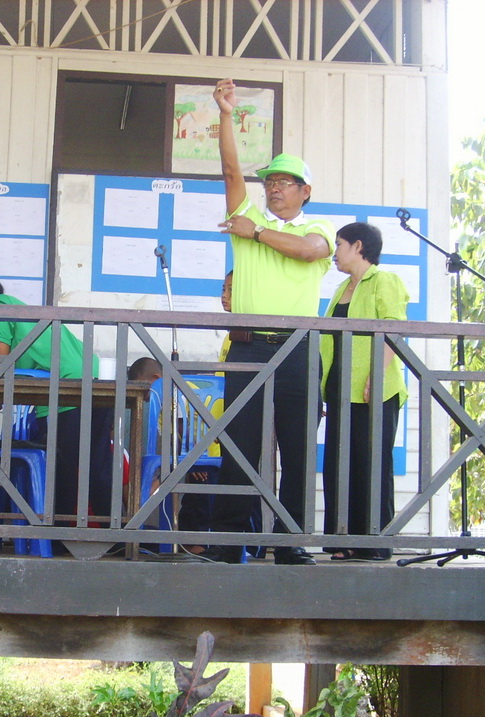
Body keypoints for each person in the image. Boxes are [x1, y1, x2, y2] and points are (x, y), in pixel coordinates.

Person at [205, 78, 335, 565]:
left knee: (297, 448)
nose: (274, 187)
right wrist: (225, 114)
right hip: (248, 346)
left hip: (299, 348)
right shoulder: (245, 217)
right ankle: (229, 540)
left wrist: (256, 231)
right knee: (238, 445)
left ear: (305, 191)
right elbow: (229, 169)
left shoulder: (316, 227)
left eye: (284, 182)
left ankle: (289, 541)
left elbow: (309, 252)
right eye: (270, 182)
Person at [0, 273, 114, 524]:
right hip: (96, 383)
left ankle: (55, 535)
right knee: (98, 466)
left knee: (61, 471)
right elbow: (5, 382)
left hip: (66, 392)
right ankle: (114, 532)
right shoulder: (20, 310)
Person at [320, 222, 408, 561]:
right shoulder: (342, 287)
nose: (334, 252)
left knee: (372, 463)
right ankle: (343, 539)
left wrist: (377, 374)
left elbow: (394, 328)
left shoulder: (384, 280)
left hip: (375, 389)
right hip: (340, 388)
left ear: (358, 246)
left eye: (339, 244)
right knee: (339, 464)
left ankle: (374, 542)